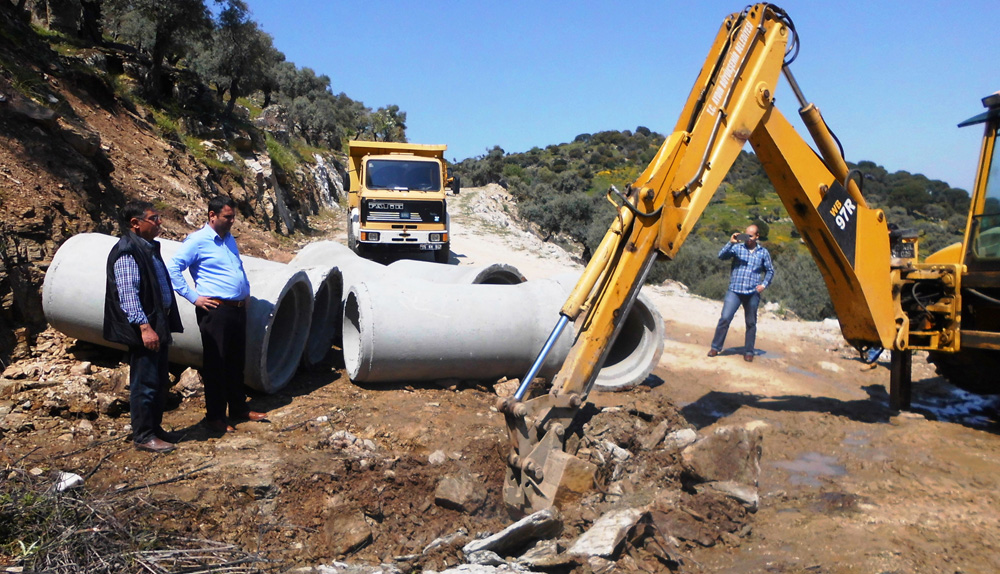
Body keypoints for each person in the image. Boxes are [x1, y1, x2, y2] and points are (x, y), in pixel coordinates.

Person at [167, 195, 267, 433]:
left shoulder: (229, 239)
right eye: (227, 217)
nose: (232, 221)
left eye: (233, 216)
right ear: (212, 215)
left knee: (235, 362)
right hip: (215, 310)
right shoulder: (198, 241)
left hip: (237, 309)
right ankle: (215, 417)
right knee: (216, 364)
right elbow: (173, 268)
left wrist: (245, 293)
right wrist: (193, 297)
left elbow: (237, 268)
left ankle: (238, 408)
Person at [104, 201, 184, 453]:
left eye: (159, 217)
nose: (159, 222)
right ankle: (143, 436)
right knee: (145, 383)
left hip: (157, 323)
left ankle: (154, 428)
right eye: (154, 218)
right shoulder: (128, 251)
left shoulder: (148, 248)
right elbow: (128, 294)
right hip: (146, 328)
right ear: (135, 224)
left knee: (160, 380)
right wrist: (144, 327)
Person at [707, 224, 775, 362]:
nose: (747, 238)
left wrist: (764, 284)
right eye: (746, 235)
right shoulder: (737, 248)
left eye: (750, 236)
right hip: (735, 290)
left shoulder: (763, 252)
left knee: (751, 323)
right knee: (725, 318)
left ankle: (749, 351)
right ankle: (715, 347)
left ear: (757, 236)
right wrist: (730, 243)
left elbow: (770, 270)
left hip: (752, 293)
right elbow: (721, 256)